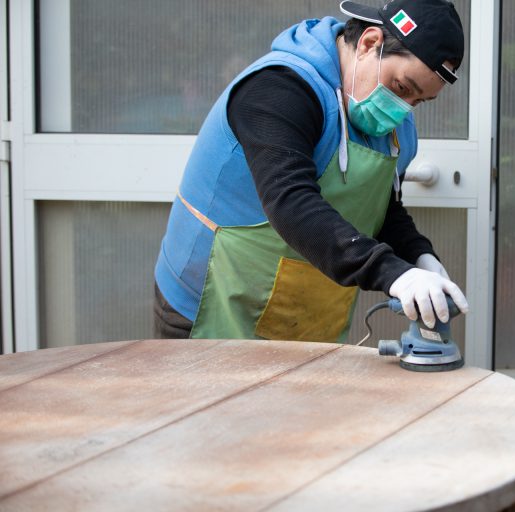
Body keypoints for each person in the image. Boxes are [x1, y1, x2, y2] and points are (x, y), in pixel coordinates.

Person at [153, 0, 469, 342]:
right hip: (214, 300)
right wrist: (392, 273)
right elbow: (290, 203)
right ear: (369, 43)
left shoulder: (394, 129)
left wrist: (419, 256)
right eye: (402, 87)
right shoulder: (279, 89)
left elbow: (381, 209)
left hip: (302, 314)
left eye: (418, 101)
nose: (402, 109)